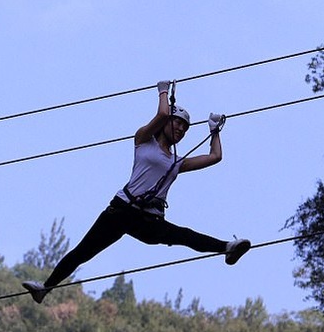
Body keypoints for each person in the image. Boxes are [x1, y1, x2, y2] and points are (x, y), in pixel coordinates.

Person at [22, 81, 251, 304]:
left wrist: (214, 131)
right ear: (166, 124)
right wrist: (163, 91)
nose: (180, 130)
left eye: (184, 128)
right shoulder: (143, 141)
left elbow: (215, 157)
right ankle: (45, 288)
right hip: (120, 211)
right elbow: (161, 115)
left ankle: (227, 248)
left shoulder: (176, 162)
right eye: (177, 123)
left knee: (184, 235)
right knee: (82, 252)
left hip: (148, 220)